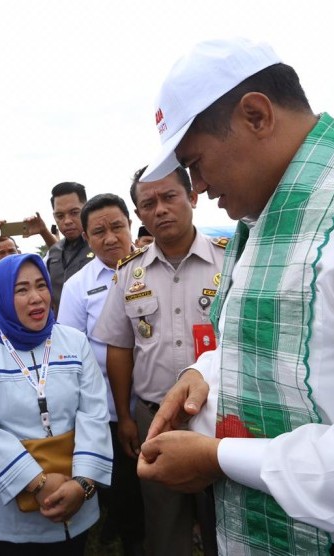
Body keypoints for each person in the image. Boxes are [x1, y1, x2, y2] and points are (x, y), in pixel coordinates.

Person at [137, 38, 334, 555]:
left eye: (196, 163)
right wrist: (206, 372)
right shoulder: (264, 230)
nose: (195, 187)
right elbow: (293, 350)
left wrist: (222, 458)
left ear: (256, 115)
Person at [93, 166, 224, 556]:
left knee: (224, 521)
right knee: (165, 529)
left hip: (218, 415)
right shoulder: (129, 273)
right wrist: (127, 415)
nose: (161, 210)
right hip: (154, 418)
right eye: (148, 203)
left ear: (192, 198)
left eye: (170, 197)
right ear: (140, 214)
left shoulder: (229, 260)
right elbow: (119, 347)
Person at [0, 253, 112, 554]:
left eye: (41, 285)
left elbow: (93, 413)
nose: (37, 298)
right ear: (0, 296)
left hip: (75, 495)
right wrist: (38, 483)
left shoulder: (74, 341)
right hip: (9, 519)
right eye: (21, 289)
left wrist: (82, 484)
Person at [57, 193, 145, 554]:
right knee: (125, 485)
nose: (110, 238)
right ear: (88, 238)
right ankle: (132, 539)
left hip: (157, 398)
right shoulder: (79, 285)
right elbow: (71, 352)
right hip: (110, 407)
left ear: (129, 225)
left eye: (117, 227)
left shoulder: (152, 267)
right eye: (99, 232)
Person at [44, 182, 94, 309]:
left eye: (74, 212)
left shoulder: (102, 247)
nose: (67, 221)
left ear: (87, 208)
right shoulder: (53, 253)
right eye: (60, 216)